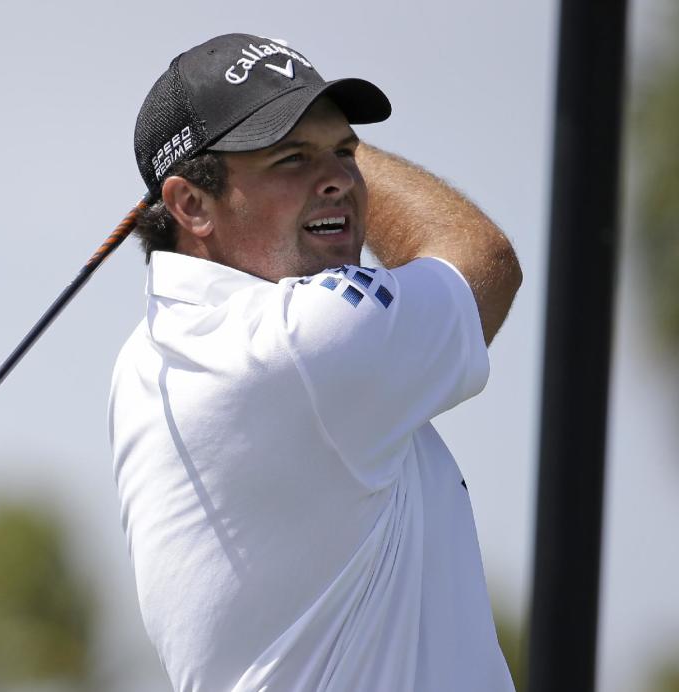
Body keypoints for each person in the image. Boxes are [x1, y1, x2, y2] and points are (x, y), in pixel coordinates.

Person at [108, 33, 522, 692]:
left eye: (344, 152)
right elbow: (481, 260)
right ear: (191, 204)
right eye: (291, 158)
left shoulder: (152, 353)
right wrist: (334, 143)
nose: (339, 180)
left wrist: (302, 136)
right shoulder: (299, 344)